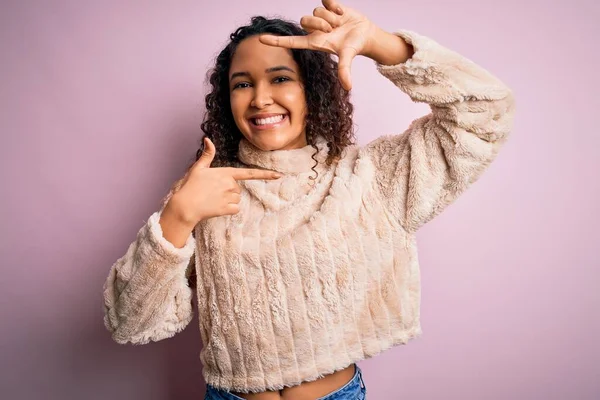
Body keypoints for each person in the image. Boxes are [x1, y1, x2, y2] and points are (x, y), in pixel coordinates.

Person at [102, 1, 515, 399]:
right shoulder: (204, 189)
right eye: (242, 84)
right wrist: (178, 216)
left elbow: (487, 112)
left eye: (280, 78)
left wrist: (379, 42)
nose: (260, 98)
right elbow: (131, 323)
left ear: (311, 90)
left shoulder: (372, 176)